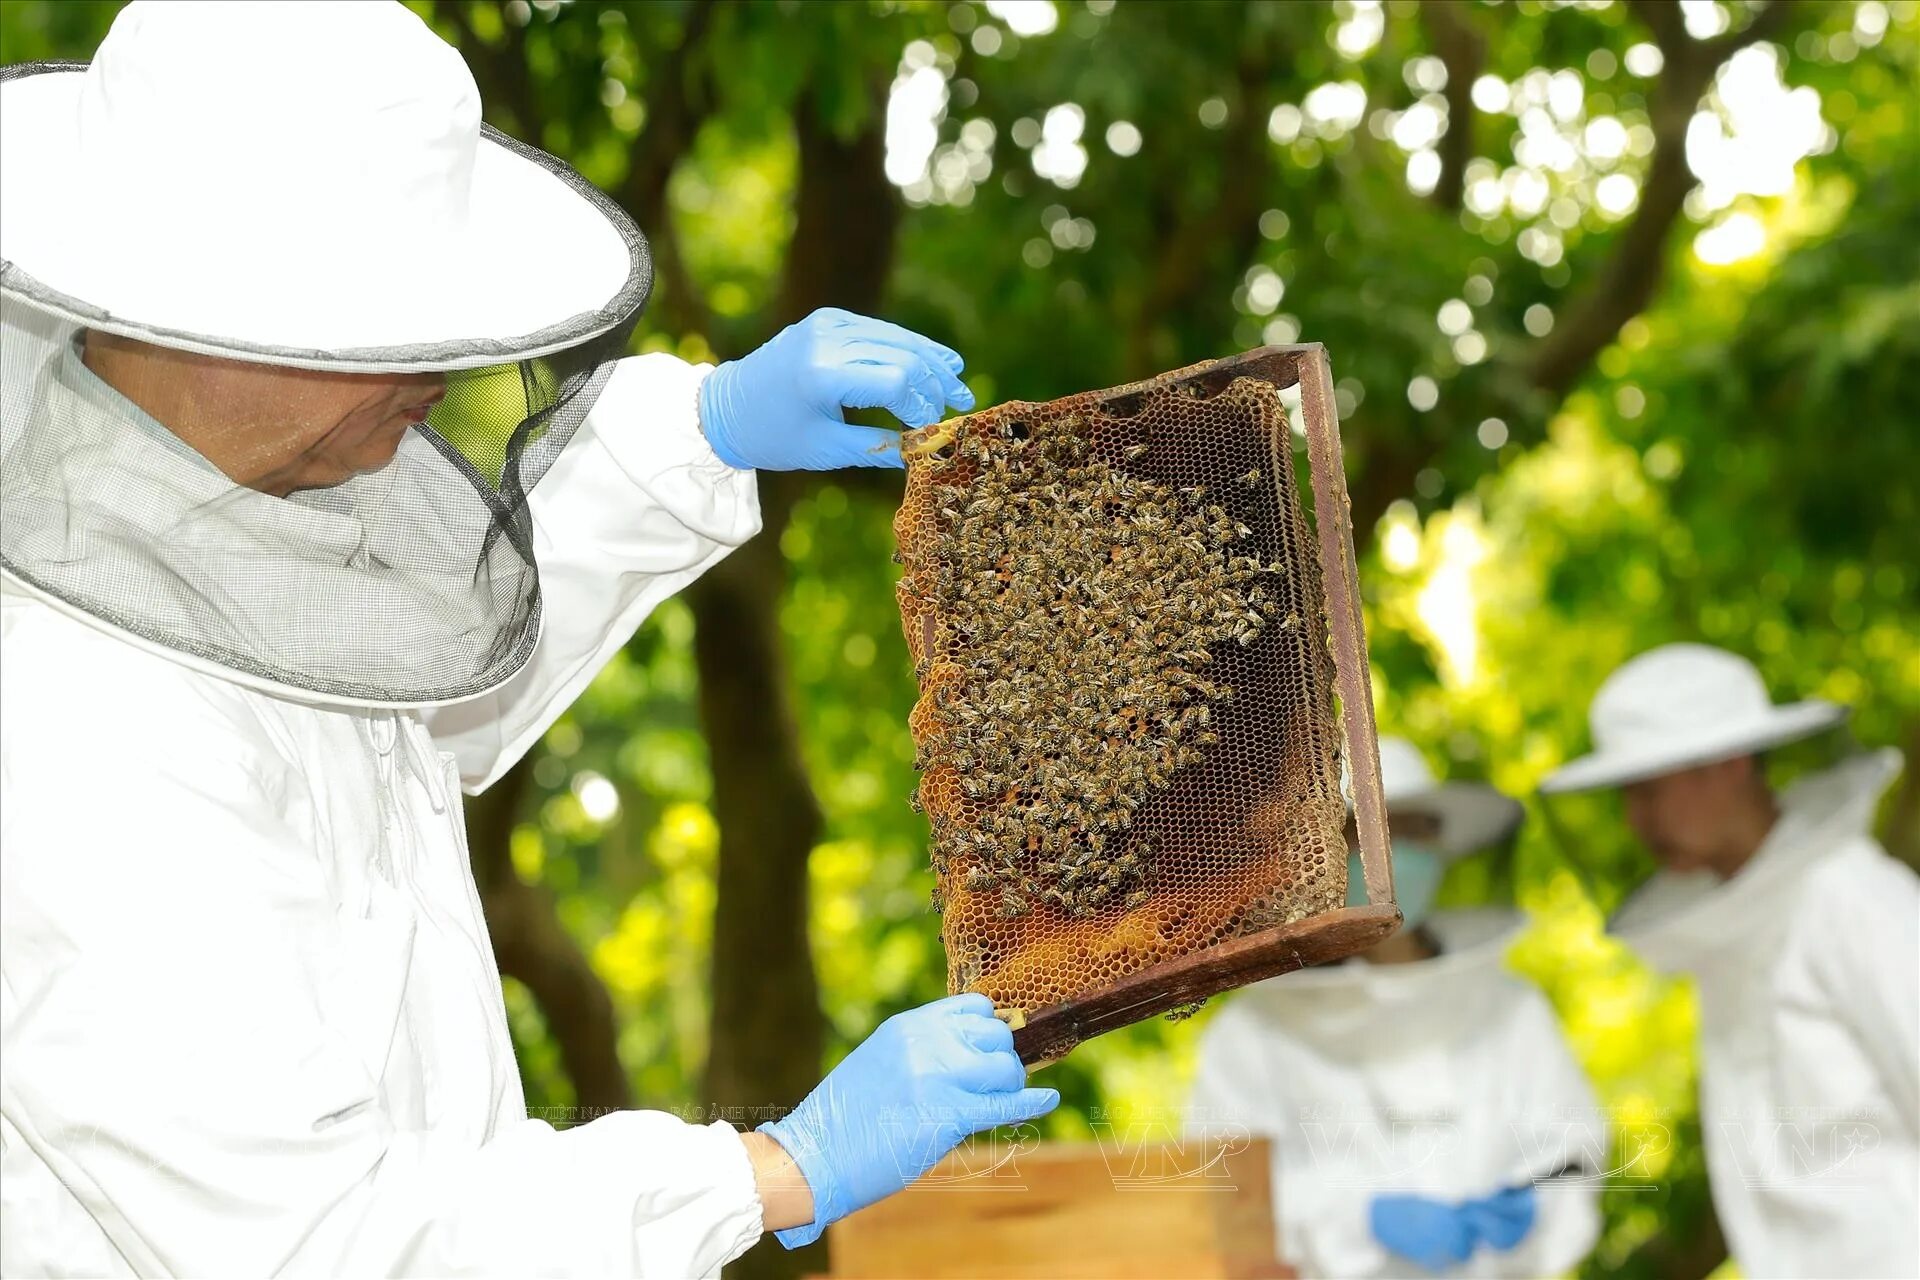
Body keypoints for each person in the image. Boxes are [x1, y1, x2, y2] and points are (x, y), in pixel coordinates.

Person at [0, 5, 1055, 1276]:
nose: (438, 374)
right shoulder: (68, 727)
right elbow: (309, 1243)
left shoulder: (253, 510)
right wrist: (764, 1171)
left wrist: (701, 431)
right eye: (391, 332)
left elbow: (419, 712)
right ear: (189, 315)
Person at [1542, 642, 1919, 1278]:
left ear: (1729, 764)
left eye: (1648, 789)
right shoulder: (1728, 936)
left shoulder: (1855, 900)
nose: (1637, 820)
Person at [1189, 737, 1604, 1277]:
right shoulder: (1253, 1034)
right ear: (1321, 851)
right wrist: (1356, 1221)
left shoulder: (1511, 1009)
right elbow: (1221, 1199)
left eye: (1413, 830)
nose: (1393, 854)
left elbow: (1572, 1155)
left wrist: (1538, 1206)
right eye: (1367, 834)